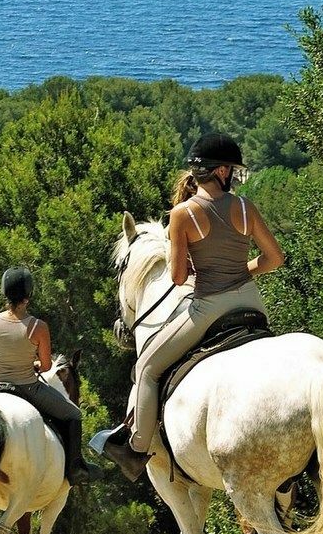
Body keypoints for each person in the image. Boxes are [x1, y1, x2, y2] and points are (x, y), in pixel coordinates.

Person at [98, 133, 285, 481]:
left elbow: (179, 274)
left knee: (147, 370)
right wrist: (241, 270)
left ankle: (136, 448)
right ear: (224, 172)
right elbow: (275, 258)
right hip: (253, 304)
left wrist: (211, 271)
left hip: (208, 307)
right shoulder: (245, 208)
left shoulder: (183, 214)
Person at [0, 266, 90, 484]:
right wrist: (33, 364)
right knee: (74, 415)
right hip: (27, 387)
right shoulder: (38, 326)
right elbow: (47, 364)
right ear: (28, 295)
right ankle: (75, 470)